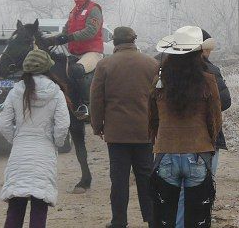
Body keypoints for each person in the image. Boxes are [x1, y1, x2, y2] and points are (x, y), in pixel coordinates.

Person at [149, 26, 222, 228]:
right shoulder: (208, 81)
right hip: (198, 153)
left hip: (165, 153)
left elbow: (153, 120)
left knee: (166, 214)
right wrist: (208, 142)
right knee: (197, 214)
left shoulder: (159, 83)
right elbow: (214, 119)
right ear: (199, 54)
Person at [90, 27, 159, 228]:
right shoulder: (152, 64)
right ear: (134, 41)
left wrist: (97, 125)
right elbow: (158, 98)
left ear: (114, 42)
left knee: (119, 181)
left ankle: (119, 221)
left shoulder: (104, 65)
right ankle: (152, 219)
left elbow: (96, 99)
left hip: (116, 134)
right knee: (146, 178)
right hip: (145, 133)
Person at [0, 49, 70, 228]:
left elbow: (3, 123)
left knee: (15, 206)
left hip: (20, 153)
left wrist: (16, 139)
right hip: (44, 154)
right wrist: (57, 142)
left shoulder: (16, 91)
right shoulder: (56, 92)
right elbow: (62, 125)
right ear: (47, 68)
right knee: (39, 206)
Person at [174, 29, 231, 227]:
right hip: (205, 141)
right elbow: (224, 101)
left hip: (172, 143)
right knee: (203, 191)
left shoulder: (165, 69)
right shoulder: (211, 71)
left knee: (179, 196)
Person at [44, 0, 104, 119]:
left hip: (92, 53)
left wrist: (69, 37)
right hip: (75, 53)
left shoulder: (94, 9)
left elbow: (91, 31)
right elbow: (64, 33)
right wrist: (49, 41)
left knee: (76, 70)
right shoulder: (73, 12)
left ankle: (85, 105)